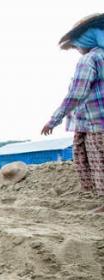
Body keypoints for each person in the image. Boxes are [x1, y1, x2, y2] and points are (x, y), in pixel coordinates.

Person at [42, 15, 104, 213]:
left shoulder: (90, 59)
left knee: (99, 164)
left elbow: (76, 94)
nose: (77, 51)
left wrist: (54, 119)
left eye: (77, 47)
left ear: (87, 40)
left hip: (96, 125)